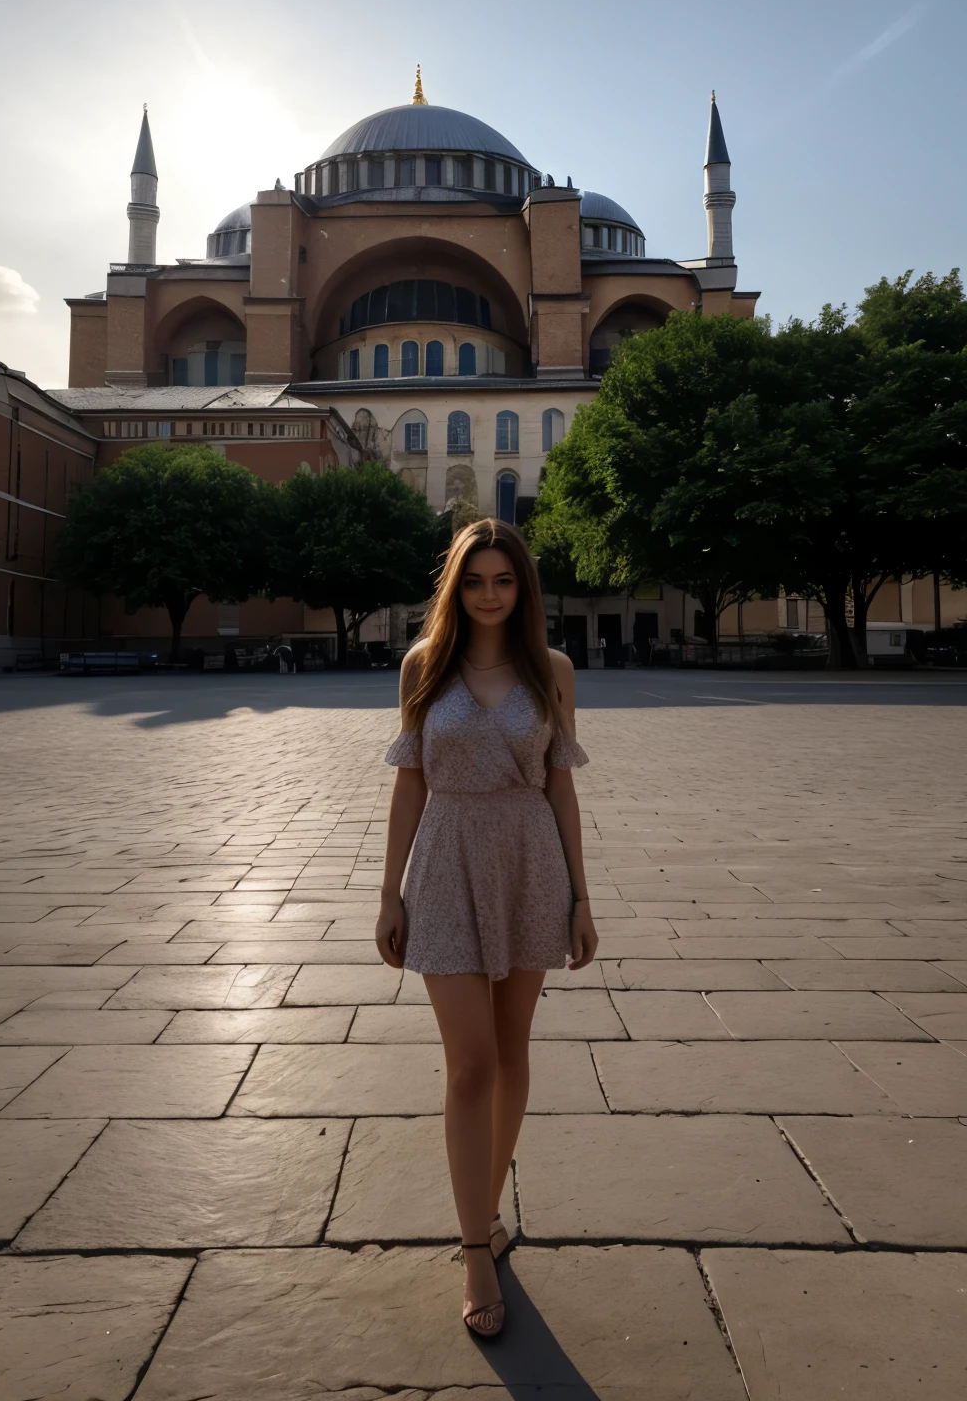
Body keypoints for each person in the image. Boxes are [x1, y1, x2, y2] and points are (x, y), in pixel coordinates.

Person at [376, 518, 598, 1339]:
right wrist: (388, 893)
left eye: (504, 580)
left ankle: (490, 1202)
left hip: (530, 864)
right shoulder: (423, 667)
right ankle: (477, 1247)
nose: (490, 594)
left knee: (512, 1052)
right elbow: (408, 785)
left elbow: (562, 787)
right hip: (444, 865)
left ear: (523, 588)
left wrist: (581, 897)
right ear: (456, 588)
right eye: (475, 581)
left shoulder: (554, 672)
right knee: (469, 1064)